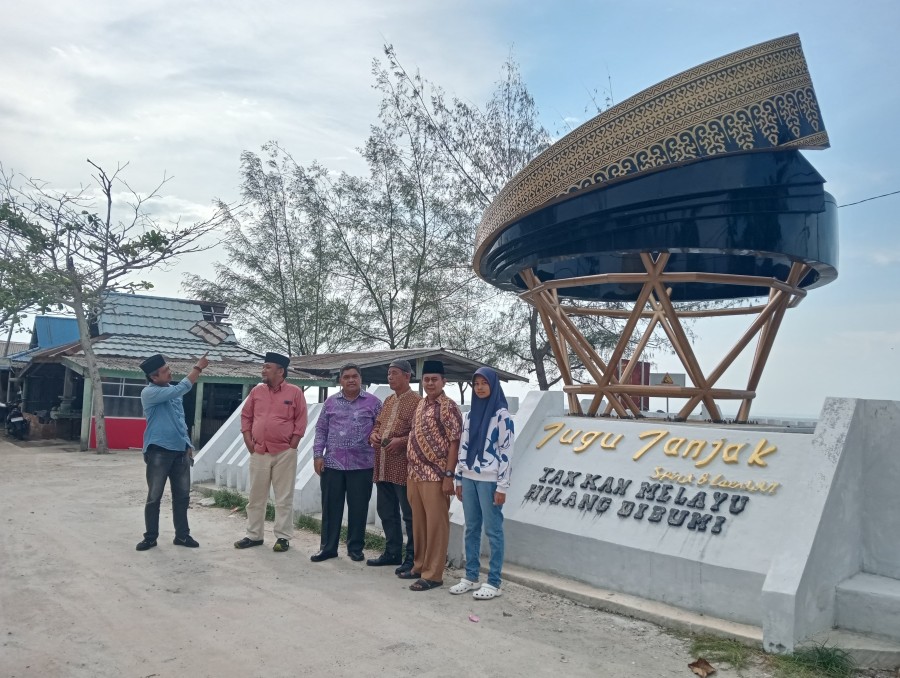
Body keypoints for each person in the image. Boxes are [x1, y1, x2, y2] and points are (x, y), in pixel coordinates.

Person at [450, 367, 514, 600]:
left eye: (484, 383)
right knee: (471, 529)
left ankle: (494, 582)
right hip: (469, 478)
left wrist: (502, 486)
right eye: (476, 384)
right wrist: (459, 478)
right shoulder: (469, 416)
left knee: (493, 531)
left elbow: (507, 452)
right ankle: (471, 576)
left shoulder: (502, 416)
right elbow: (463, 448)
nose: (479, 388)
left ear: (493, 385)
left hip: (490, 481)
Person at [136, 352, 209, 551]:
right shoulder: (149, 393)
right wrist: (198, 367)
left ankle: (182, 536)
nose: (170, 372)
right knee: (154, 497)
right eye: (165, 371)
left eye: (168, 368)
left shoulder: (171, 391)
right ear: (154, 377)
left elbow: (179, 421)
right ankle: (150, 538)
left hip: (180, 451)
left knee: (182, 497)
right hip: (158, 452)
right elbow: (183, 387)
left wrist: (187, 445)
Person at [234, 352, 308, 553]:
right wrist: (247, 439)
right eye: (263, 366)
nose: (263, 370)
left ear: (280, 371)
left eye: (267, 367)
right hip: (259, 451)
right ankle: (254, 535)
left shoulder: (295, 392)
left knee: (283, 497)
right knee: (255, 496)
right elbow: (246, 416)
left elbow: (301, 419)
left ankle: (283, 537)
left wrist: (293, 444)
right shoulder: (257, 391)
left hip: (285, 453)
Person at [311, 363, 382, 562]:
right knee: (331, 507)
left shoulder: (374, 403)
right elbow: (321, 430)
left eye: (354, 376)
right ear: (340, 380)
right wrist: (318, 455)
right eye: (346, 377)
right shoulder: (330, 403)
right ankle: (328, 548)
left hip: (363, 465)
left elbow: (381, 428)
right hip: (332, 464)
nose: (351, 380)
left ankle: (355, 548)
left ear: (360, 379)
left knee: (359, 508)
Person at [403, 360, 462, 591]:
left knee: (436, 526)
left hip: (436, 475)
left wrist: (449, 475)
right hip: (414, 474)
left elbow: (455, 443)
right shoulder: (421, 404)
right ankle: (419, 566)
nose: (430, 383)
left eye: (434, 379)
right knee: (419, 524)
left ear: (443, 381)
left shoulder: (449, 407)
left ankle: (434, 574)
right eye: (426, 379)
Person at [366, 359, 421, 573]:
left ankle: (412, 558)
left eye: (394, 373)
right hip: (383, 464)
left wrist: (402, 441)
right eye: (389, 373)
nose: (390, 377)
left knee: (409, 514)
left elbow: (419, 433)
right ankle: (392, 553)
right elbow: (378, 424)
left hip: (403, 466)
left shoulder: (417, 402)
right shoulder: (388, 400)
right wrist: (374, 435)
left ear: (407, 376)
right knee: (386, 511)